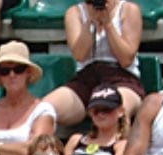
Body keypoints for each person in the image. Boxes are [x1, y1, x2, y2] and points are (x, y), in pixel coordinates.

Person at [41, 0, 141, 129]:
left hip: (121, 76)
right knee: (44, 109)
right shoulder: (75, 13)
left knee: (117, 108)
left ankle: (118, 147)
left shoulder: (128, 10)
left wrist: (108, 25)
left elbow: (126, 59)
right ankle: (37, 147)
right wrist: (89, 22)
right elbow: (80, 55)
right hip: (86, 77)